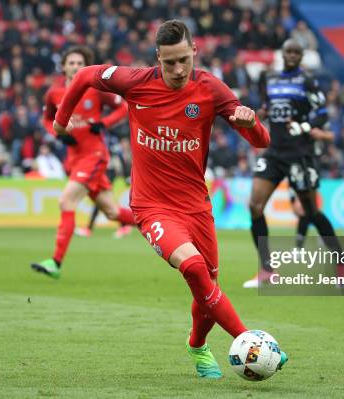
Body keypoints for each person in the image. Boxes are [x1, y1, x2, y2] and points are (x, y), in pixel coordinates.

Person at [52, 20, 287, 379]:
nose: (177, 70)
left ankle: (196, 345)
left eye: (183, 60)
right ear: (156, 59)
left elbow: (262, 142)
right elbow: (84, 74)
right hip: (152, 205)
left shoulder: (210, 89)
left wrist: (250, 122)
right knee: (193, 268)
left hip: (196, 206)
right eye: (169, 63)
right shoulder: (135, 82)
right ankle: (252, 343)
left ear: (194, 51)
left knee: (207, 285)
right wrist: (60, 120)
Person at [245, 39, 344, 288]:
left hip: (299, 154)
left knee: (310, 211)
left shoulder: (307, 80)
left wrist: (303, 126)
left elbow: (322, 113)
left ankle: (342, 261)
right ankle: (267, 269)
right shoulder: (270, 79)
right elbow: (268, 106)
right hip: (274, 152)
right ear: (282, 54)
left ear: (301, 56)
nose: (291, 56)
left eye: (296, 52)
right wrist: (263, 114)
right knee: (255, 205)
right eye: (288, 51)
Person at [30, 46, 134, 279]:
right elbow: (47, 119)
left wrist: (104, 123)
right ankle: (157, 223)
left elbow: (124, 107)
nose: (76, 67)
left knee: (66, 201)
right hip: (74, 159)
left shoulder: (97, 90)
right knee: (112, 212)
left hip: (94, 156)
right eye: (72, 63)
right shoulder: (54, 94)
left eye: (80, 63)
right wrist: (57, 133)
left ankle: (55, 262)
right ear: (64, 66)